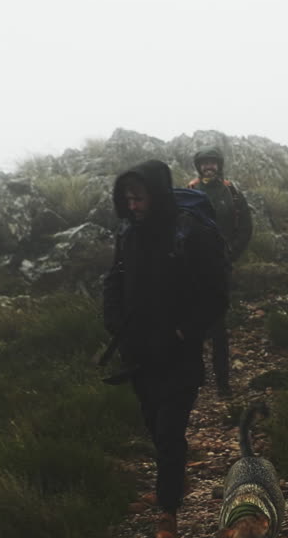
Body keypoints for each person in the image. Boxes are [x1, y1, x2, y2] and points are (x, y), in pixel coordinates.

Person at [102, 160, 229, 538]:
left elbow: (216, 296)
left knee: (170, 432)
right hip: (139, 354)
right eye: (127, 200)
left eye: (139, 198)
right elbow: (115, 278)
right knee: (156, 429)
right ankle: (173, 482)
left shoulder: (190, 233)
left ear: (155, 195)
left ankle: (168, 513)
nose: (133, 206)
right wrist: (114, 324)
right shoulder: (129, 232)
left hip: (178, 357)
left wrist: (181, 333)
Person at [187, 146, 253, 396]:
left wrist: (230, 255)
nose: (208, 167)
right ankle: (197, 377)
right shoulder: (190, 191)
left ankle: (223, 382)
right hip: (193, 269)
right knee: (193, 323)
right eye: (204, 163)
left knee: (218, 325)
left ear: (219, 164)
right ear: (198, 167)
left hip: (221, 268)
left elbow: (246, 227)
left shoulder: (232, 192)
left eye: (212, 162)